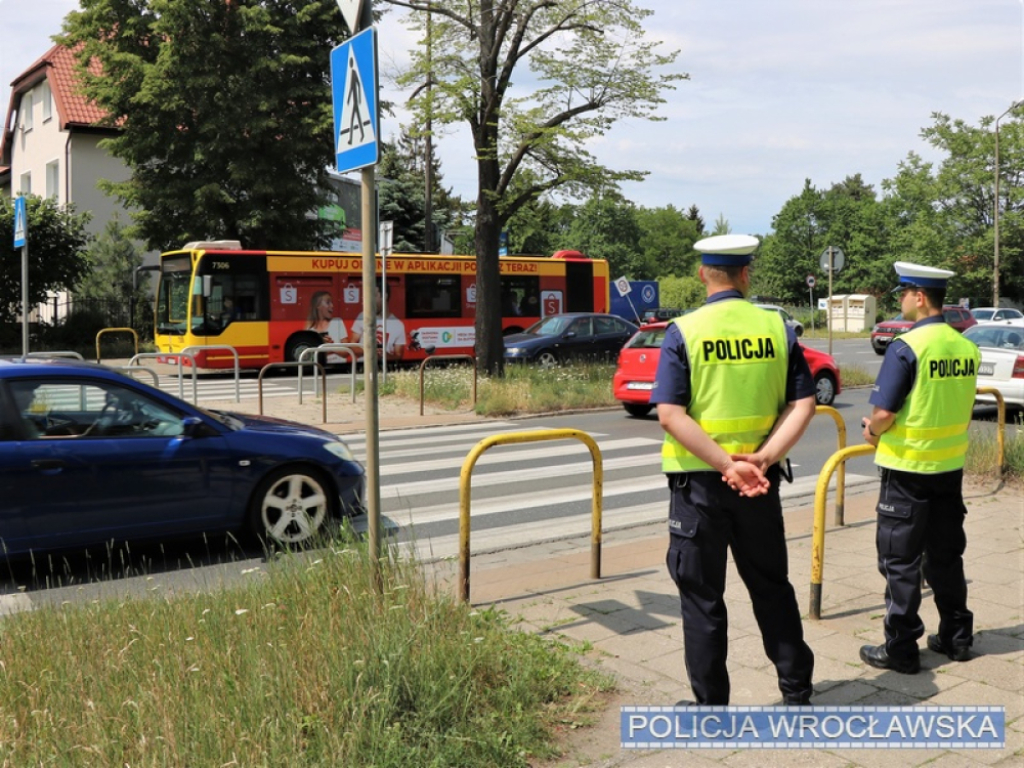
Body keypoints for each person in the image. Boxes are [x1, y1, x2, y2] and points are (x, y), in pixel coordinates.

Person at [650, 234, 816, 706]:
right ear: (746, 274)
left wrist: (726, 464)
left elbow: (670, 414)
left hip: (699, 485)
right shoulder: (777, 327)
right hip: (759, 484)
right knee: (771, 585)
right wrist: (759, 460)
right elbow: (803, 403)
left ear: (703, 274)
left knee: (702, 596)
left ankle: (712, 708)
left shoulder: (684, 330)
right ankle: (796, 688)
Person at [859, 262, 979, 674]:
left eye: (902, 294)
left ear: (920, 297)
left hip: (907, 471)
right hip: (949, 468)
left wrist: (871, 430)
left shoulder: (907, 347)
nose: (900, 301)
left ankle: (901, 648)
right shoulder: (966, 346)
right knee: (946, 555)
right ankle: (956, 637)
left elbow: (883, 413)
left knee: (899, 561)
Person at [351, 280, 407, 360]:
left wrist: (385, 356)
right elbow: (352, 345)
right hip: (363, 368)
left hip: (384, 369)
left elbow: (399, 356)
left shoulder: (398, 325)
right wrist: (369, 351)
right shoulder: (363, 316)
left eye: (374, 296)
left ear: (385, 296)